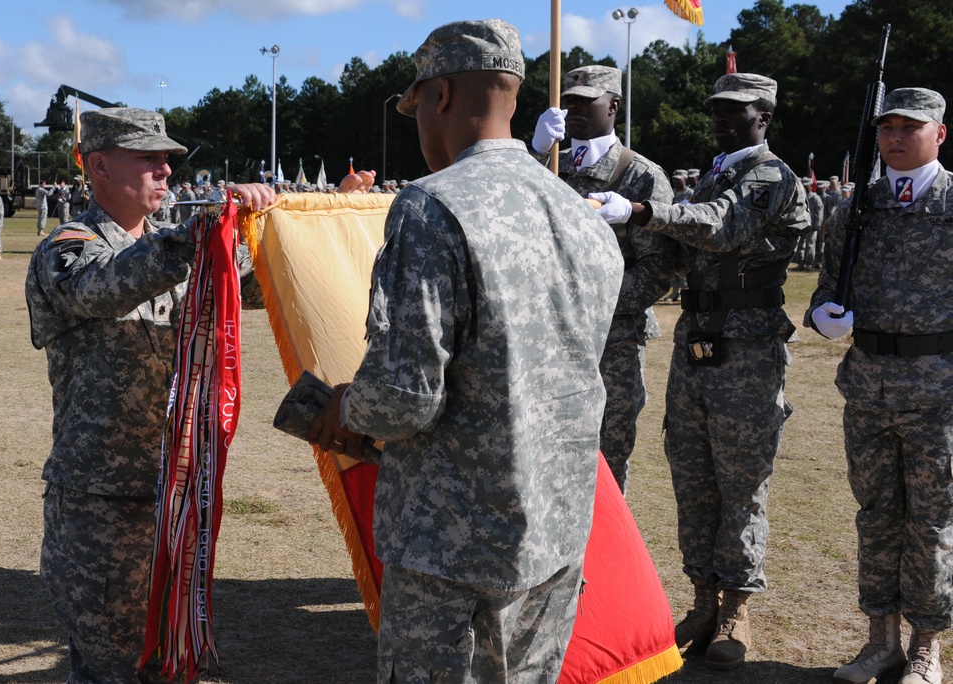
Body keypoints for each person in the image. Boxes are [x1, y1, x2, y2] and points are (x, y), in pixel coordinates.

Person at [307, 19, 623, 682]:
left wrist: (343, 406)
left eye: (417, 105)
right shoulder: (580, 214)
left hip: (453, 552)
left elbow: (403, 398)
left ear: (441, 96)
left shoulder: (432, 207)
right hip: (555, 535)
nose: (418, 122)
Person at [25, 107, 277, 684]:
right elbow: (101, 289)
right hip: (101, 501)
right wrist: (198, 236)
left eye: (168, 159)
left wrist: (282, 224)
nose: (166, 170)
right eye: (148, 158)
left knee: (163, 658)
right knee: (113, 663)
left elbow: (264, 286)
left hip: (176, 490)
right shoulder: (67, 248)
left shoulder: (180, 245)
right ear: (99, 165)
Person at [626, 72, 809, 669]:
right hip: (698, 337)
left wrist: (645, 208)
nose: (724, 119)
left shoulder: (768, 175)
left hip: (748, 340)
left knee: (741, 479)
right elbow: (682, 249)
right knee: (693, 471)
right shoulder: (716, 172)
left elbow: (723, 227)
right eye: (718, 110)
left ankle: (737, 606)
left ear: (765, 117)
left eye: (738, 111)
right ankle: (703, 597)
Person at [807, 87, 951, 684]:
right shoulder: (854, 209)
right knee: (877, 515)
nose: (895, 137)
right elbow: (825, 288)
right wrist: (822, 315)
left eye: (910, 126)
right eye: (886, 126)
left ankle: (926, 647)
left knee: (933, 519)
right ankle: (880, 640)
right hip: (868, 388)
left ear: (939, 133)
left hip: (938, 391)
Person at [530, 63, 675, 494]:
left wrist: (590, 302)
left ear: (613, 106)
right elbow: (508, 208)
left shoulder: (642, 176)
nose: (572, 108)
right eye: (567, 100)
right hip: (550, 337)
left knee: (606, 464)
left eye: (585, 101)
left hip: (614, 339)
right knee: (544, 453)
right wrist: (534, 152)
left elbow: (657, 270)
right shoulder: (548, 166)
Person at [793, 176, 824, 272]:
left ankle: (809, 263)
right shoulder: (802, 196)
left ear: (811, 186)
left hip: (812, 225)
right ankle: (801, 263)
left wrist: (817, 226)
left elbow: (819, 212)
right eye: (804, 185)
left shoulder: (815, 198)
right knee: (801, 244)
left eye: (807, 185)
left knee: (810, 245)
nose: (805, 187)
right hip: (802, 224)